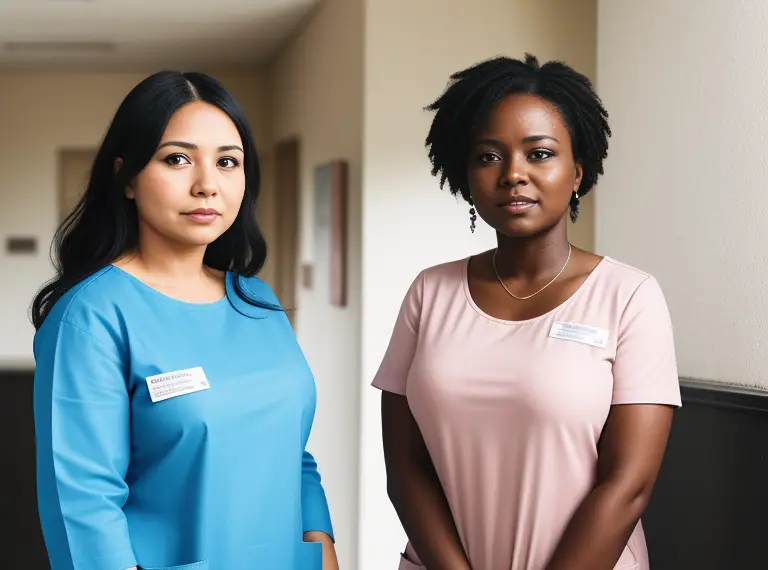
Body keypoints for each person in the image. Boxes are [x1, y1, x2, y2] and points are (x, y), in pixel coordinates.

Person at [373, 54, 681, 570]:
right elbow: (406, 470)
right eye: (489, 157)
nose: (514, 174)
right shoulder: (429, 293)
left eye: (539, 153)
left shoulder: (630, 296)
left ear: (578, 171)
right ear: (466, 176)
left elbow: (628, 486)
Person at [31, 71, 337, 570]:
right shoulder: (90, 318)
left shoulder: (255, 300)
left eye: (227, 162)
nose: (207, 185)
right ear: (126, 176)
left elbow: (292, 449)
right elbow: (81, 505)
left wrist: (320, 539)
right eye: (177, 159)